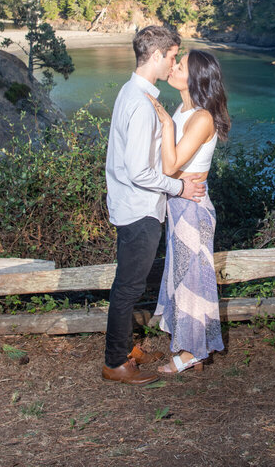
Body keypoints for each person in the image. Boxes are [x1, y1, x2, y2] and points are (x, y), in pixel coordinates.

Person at [102, 25, 205, 385]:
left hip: (131, 205)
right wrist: (178, 187)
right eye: (173, 56)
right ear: (158, 55)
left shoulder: (132, 93)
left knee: (128, 284)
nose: (174, 63)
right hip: (140, 208)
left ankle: (126, 348)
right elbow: (139, 172)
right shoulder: (141, 103)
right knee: (128, 287)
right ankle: (115, 363)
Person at [146, 49, 230, 374]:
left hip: (192, 208)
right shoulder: (183, 109)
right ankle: (190, 344)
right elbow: (165, 165)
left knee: (192, 281)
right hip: (179, 203)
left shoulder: (202, 117)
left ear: (194, 77)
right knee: (182, 277)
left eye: (180, 65)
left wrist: (165, 122)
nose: (173, 66)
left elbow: (169, 164)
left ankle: (192, 352)